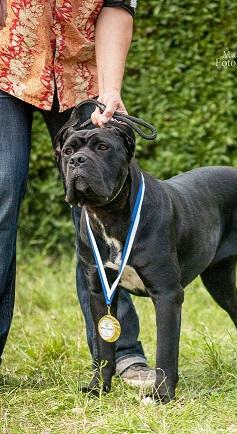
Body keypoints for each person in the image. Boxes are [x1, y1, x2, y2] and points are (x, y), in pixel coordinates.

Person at [0, 0, 155, 387]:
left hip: (84, 77)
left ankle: (120, 352)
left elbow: (116, 7)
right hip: (6, 69)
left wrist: (111, 92)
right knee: (1, 191)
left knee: (104, 205)